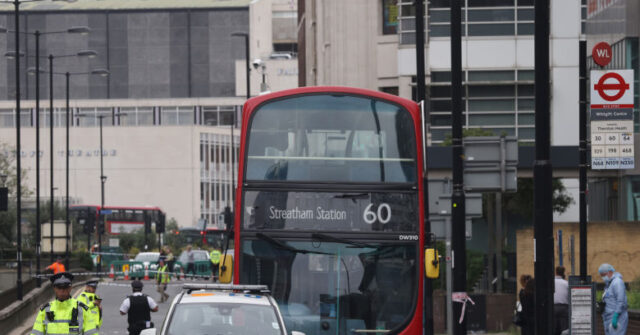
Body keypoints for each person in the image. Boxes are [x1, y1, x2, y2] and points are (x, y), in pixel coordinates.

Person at [30, 272, 99, 335]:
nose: (62, 290)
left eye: (65, 287)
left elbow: (92, 333)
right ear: (54, 288)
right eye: (59, 287)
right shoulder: (45, 310)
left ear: (70, 288)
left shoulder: (82, 309)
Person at [599, 263, 628, 335]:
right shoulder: (609, 284)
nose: (603, 277)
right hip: (609, 317)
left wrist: (616, 315)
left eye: (603, 275)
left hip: (617, 318)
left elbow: (620, 301)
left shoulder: (617, 282)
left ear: (609, 272)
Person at [553, 266, 569, 335]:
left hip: (553, 307)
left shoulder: (551, 282)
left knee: (554, 327)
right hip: (564, 308)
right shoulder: (566, 283)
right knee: (564, 329)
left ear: (555, 272)